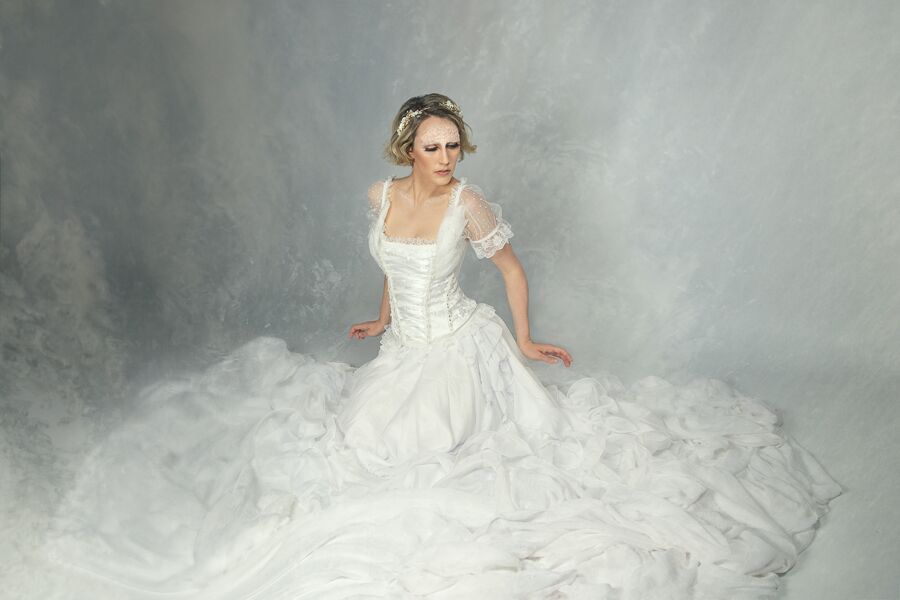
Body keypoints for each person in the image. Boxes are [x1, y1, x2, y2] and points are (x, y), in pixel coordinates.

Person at [45, 93, 841, 600]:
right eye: (433, 147)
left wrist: (525, 339)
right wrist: (381, 318)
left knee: (432, 459)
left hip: (462, 349)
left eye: (454, 146)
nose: (446, 158)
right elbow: (394, 264)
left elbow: (511, 269)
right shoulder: (380, 195)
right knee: (359, 443)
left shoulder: (469, 203)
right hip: (404, 349)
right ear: (406, 150)